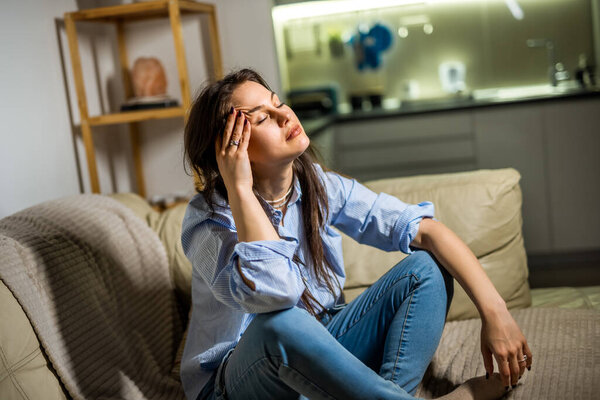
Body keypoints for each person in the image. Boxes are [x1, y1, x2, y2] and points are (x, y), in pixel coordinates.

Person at [180, 68, 533, 400]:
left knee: (428, 268)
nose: (286, 116)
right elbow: (277, 296)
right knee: (280, 323)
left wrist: (496, 313)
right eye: (261, 118)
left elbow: (426, 231)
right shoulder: (207, 222)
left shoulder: (320, 186)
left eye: (277, 103)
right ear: (230, 150)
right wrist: (239, 188)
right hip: (240, 381)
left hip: (321, 346)